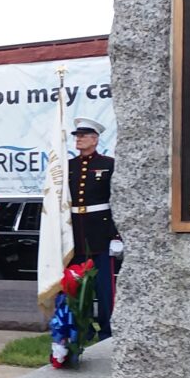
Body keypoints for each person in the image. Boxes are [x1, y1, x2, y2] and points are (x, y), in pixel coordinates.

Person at [68, 117, 123, 341]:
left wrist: (116, 234)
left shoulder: (108, 164)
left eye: (83, 136)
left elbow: (117, 201)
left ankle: (107, 330)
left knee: (103, 287)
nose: (79, 139)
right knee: (79, 285)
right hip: (76, 234)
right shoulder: (69, 166)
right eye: (77, 136)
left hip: (100, 233)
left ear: (95, 139)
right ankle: (84, 327)